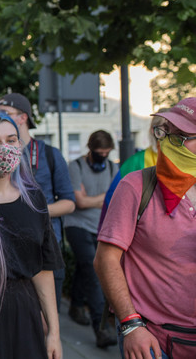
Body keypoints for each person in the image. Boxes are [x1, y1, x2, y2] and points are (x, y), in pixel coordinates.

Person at [94, 97, 196, 359]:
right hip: (151, 337)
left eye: (184, 136)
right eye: (166, 133)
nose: (171, 143)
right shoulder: (136, 185)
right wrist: (131, 324)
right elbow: (105, 258)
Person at [0, 111, 63, 359]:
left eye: (11, 140)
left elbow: (43, 269)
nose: (4, 148)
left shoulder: (34, 199)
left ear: (20, 145)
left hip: (25, 314)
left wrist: (53, 332)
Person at [0, 93, 75, 312]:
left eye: (4, 113)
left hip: (44, 250)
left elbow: (69, 203)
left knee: (47, 322)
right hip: (5, 249)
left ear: (22, 118)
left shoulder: (50, 155)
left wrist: (30, 212)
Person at [63, 130, 118, 348]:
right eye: (99, 152)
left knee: (84, 267)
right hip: (76, 225)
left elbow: (113, 199)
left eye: (106, 152)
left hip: (101, 226)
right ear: (90, 149)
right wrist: (102, 199)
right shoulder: (75, 167)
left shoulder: (113, 167)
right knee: (92, 268)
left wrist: (92, 199)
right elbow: (80, 202)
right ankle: (101, 328)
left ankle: (76, 306)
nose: (102, 156)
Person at [98, 108, 170, 227]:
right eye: (165, 129)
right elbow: (113, 200)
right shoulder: (136, 162)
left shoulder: (188, 161)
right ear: (154, 131)